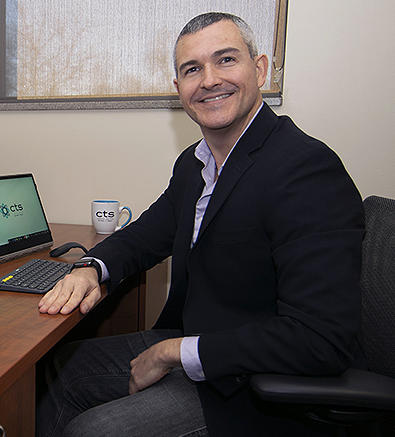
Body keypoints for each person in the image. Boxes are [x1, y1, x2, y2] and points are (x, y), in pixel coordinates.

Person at [36, 12, 365, 437]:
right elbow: (145, 235)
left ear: (260, 69)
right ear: (179, 90)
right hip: (204, 340)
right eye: (192, 69)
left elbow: (321, 339)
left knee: (93, 430)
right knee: (60, 367)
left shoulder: (305, 168)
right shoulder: (195, 164)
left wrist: (172, 352)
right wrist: (91, 267)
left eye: (225, 60)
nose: (209, 80)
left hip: (261, 388)